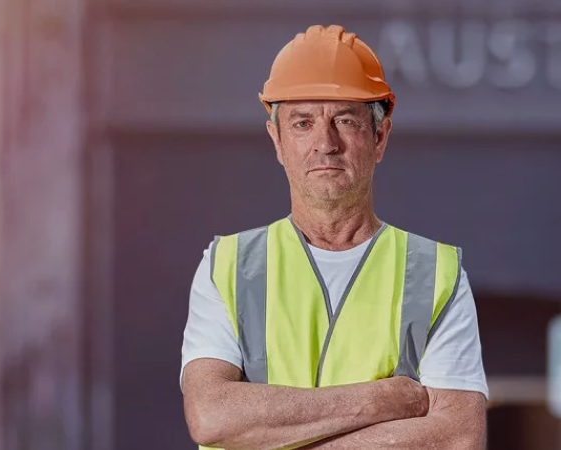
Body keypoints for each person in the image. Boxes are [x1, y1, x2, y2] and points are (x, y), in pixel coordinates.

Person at [180, 24, 488, 449]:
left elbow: (457, 437)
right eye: (303, 122)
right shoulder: (228, 267)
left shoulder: (437, 275)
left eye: (345, 120)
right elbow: (211, 416)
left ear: (379, 137)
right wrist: (383, 399)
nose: (325, 143)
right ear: (278, 140)